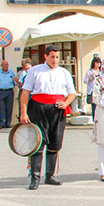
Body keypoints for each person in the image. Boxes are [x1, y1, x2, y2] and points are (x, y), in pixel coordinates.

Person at [20, 45, 76, 190]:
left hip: (57, 110)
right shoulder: (34, 71)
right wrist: (23, 112)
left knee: (55, 143)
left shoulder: (64, 72)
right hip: (38, 109)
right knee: (38, 143)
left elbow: (72, 93)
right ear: (45, 56)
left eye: (57, 57)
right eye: (52, 57)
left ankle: (50, 175)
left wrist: (66, 103)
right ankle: (35, 178)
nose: (55, 60)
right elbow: (25, 93)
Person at [0, 60, 15, 129]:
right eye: (5, 64)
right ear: (1, 66)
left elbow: (14, 82)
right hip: (1, 92)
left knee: (9, 108)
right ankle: (1, 123)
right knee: (1, 108)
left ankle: (8, 123)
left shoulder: (11, 73)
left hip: (9, 91)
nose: (6, 66)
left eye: (7, 64)